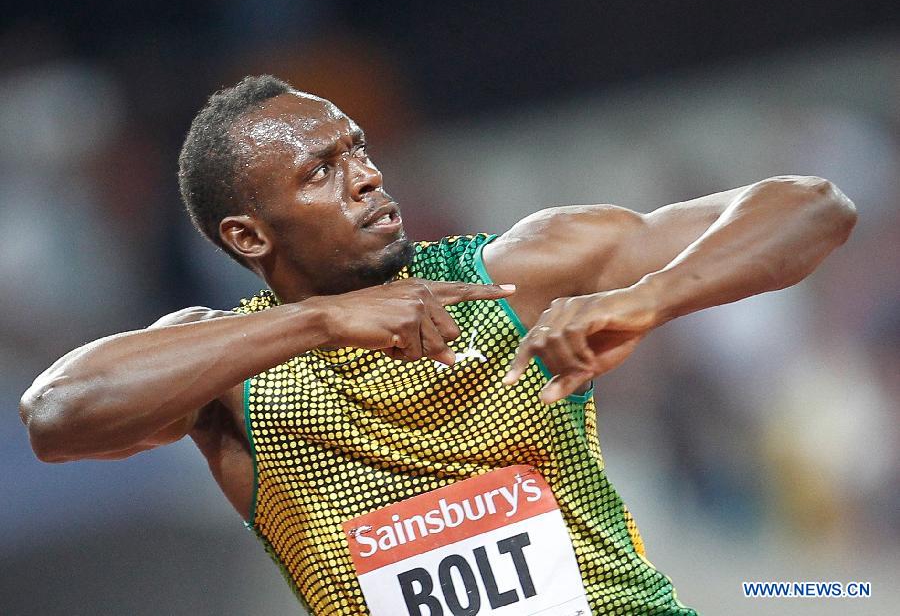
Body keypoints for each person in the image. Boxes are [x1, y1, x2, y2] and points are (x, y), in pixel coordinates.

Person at [19, 75, 857, 615]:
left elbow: (814, 205)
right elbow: (55, 413)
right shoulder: (232, 373)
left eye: (358, 149)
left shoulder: (513, 276)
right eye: (320, 172)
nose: (367, 176)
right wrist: (318, 323)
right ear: (248, 234)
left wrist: (646, 297)